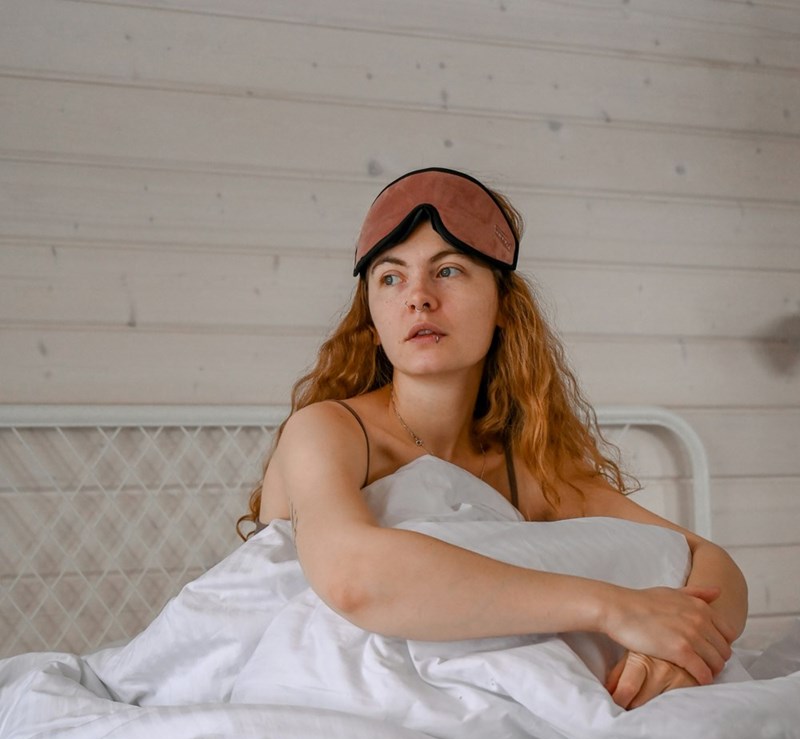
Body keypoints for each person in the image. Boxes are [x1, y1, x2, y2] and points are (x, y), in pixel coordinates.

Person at [238, 167, 748, 710]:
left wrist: (685, 648)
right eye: (391, 278)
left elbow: (704, 558)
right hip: (315, 698)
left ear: (504, 305)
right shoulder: (328, 431)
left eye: (449, 270)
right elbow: (353, 579)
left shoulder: (522, 466)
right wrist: (614, 608)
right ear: (371, 315)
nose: (419, 298)